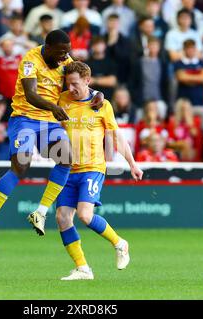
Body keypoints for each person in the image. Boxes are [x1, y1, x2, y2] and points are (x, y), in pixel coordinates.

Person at [0, 30, 104, 247]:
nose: (65, 56)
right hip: (25, 118)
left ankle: (40, 212)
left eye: (68, 52)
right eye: (61, 52)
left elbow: (80, 82)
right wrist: (53, 106)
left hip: (48, 122)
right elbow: (30, 94)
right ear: (48, 47)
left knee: (66, 159)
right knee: (21, 166)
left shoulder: (65, 60)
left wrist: (97, 94)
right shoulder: (30, 60)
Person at [56, 61, 143, 280]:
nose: (72, 88)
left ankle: (120, 243)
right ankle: (83, 268)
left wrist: (132, 163)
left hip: (92, 168)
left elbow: (115, 137)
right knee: (62, 217)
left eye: (76, 83)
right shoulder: (63, 99)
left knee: (85, 215)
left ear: (87, 80)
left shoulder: (102, 105)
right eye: (68, 84)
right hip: (67, 169)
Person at [174, 39, 203, 109]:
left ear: (195, 49)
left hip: (200, 102)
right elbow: (181, 78)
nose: (190, 50)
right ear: (184, 49)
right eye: (188, 48)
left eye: (192, 48)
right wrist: (198, 77)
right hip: (183, 102)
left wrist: (188, 78)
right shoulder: (178, 63)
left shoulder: (202, 63)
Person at [87, 36, 117, 101]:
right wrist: (104, 80)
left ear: (105, 45)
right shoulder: (87, 63)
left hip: (109, 97)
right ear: (92, 46)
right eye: (95, 44)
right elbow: (85, 82)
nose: (98, 46)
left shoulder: (110, 62)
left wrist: (95, 80)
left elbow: (112, 81)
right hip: (91, 98)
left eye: (100, 43)